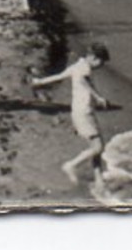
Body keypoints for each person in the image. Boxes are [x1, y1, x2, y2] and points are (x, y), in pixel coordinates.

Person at [30, 44, 114, 187]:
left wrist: (40, 82)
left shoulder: (78, 65)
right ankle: (71, 165)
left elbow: (60, 76)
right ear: (93, 58)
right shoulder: (85, 69)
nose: (101, 65)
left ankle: (98, 178)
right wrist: (98, 98)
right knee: (98, 147)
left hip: (79, 111)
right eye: (101, 62)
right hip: (84, 113)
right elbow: (83, 81)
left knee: (95, 145)